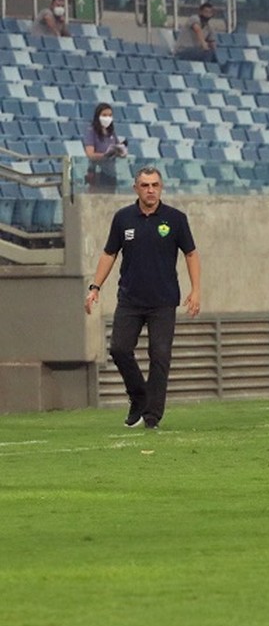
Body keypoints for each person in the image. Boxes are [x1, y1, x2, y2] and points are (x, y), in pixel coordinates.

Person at [84, 166, 201, 429]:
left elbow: (191, 254)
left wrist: (196, 290)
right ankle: (139, 396)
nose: (151, 190)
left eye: (155, 185)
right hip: (130, 299)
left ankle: (152, 417)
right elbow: (109, 254)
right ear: (136, 188)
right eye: (145, 185)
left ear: (161, 187)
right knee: (119, 349)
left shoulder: (175, 219)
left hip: (163, 300)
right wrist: (95, 287)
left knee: (160, 356)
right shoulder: (123, 219)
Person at [83, 103, 127, 193]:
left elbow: (118, 147)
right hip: (97, 172)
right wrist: (105, 155)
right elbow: (90, 154)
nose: (107, 118)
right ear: (98, 116)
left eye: (110, 115)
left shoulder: (111, 132)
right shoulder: (92, 131)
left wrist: (120, 152)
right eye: (104, 115)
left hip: (111, 172)